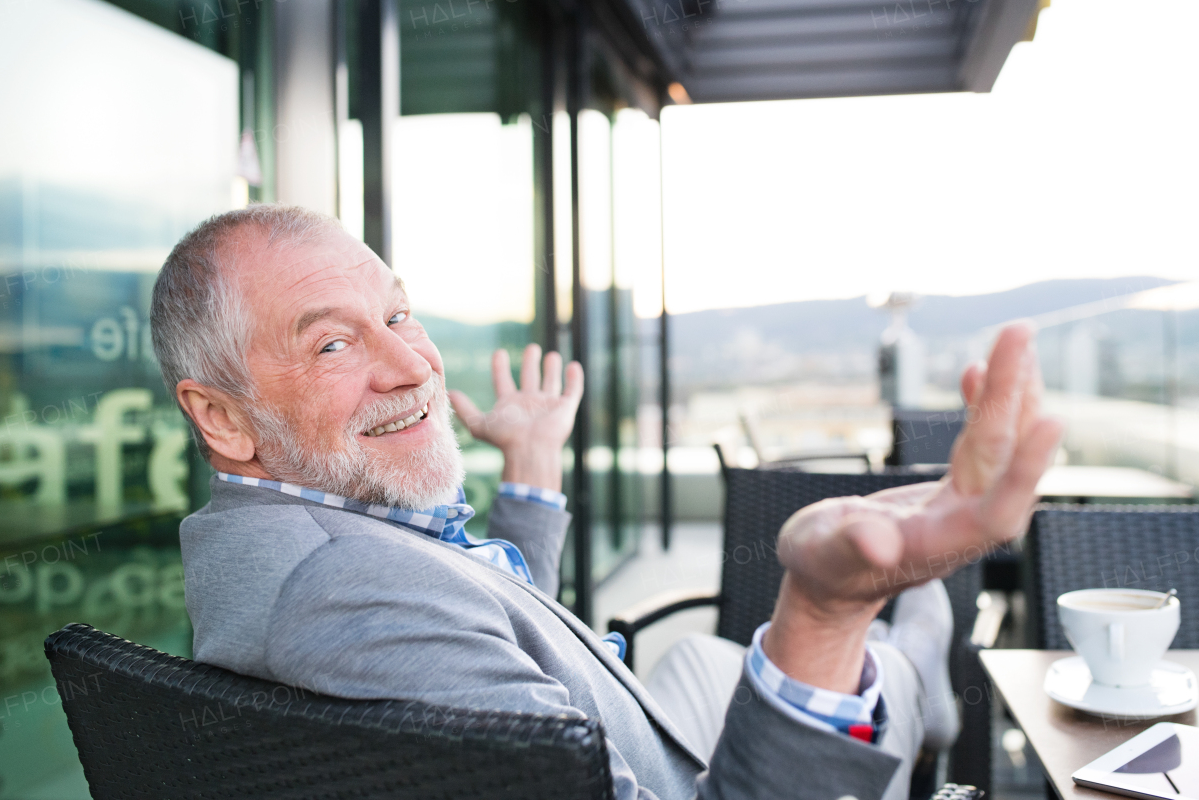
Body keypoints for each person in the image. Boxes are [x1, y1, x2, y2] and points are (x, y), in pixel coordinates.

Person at [153, 205, 1062, 800]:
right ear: (223, 416)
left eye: (396, 315)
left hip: (624, 716)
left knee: (710, 657)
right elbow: (405, 607)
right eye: (330, 348)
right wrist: (824, 611)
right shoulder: (347, 596)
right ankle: (913, 674)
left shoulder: (264, 537)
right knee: (869, 666)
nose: (412, 365)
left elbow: (473, 609)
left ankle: (910, 664)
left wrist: (532, 468)